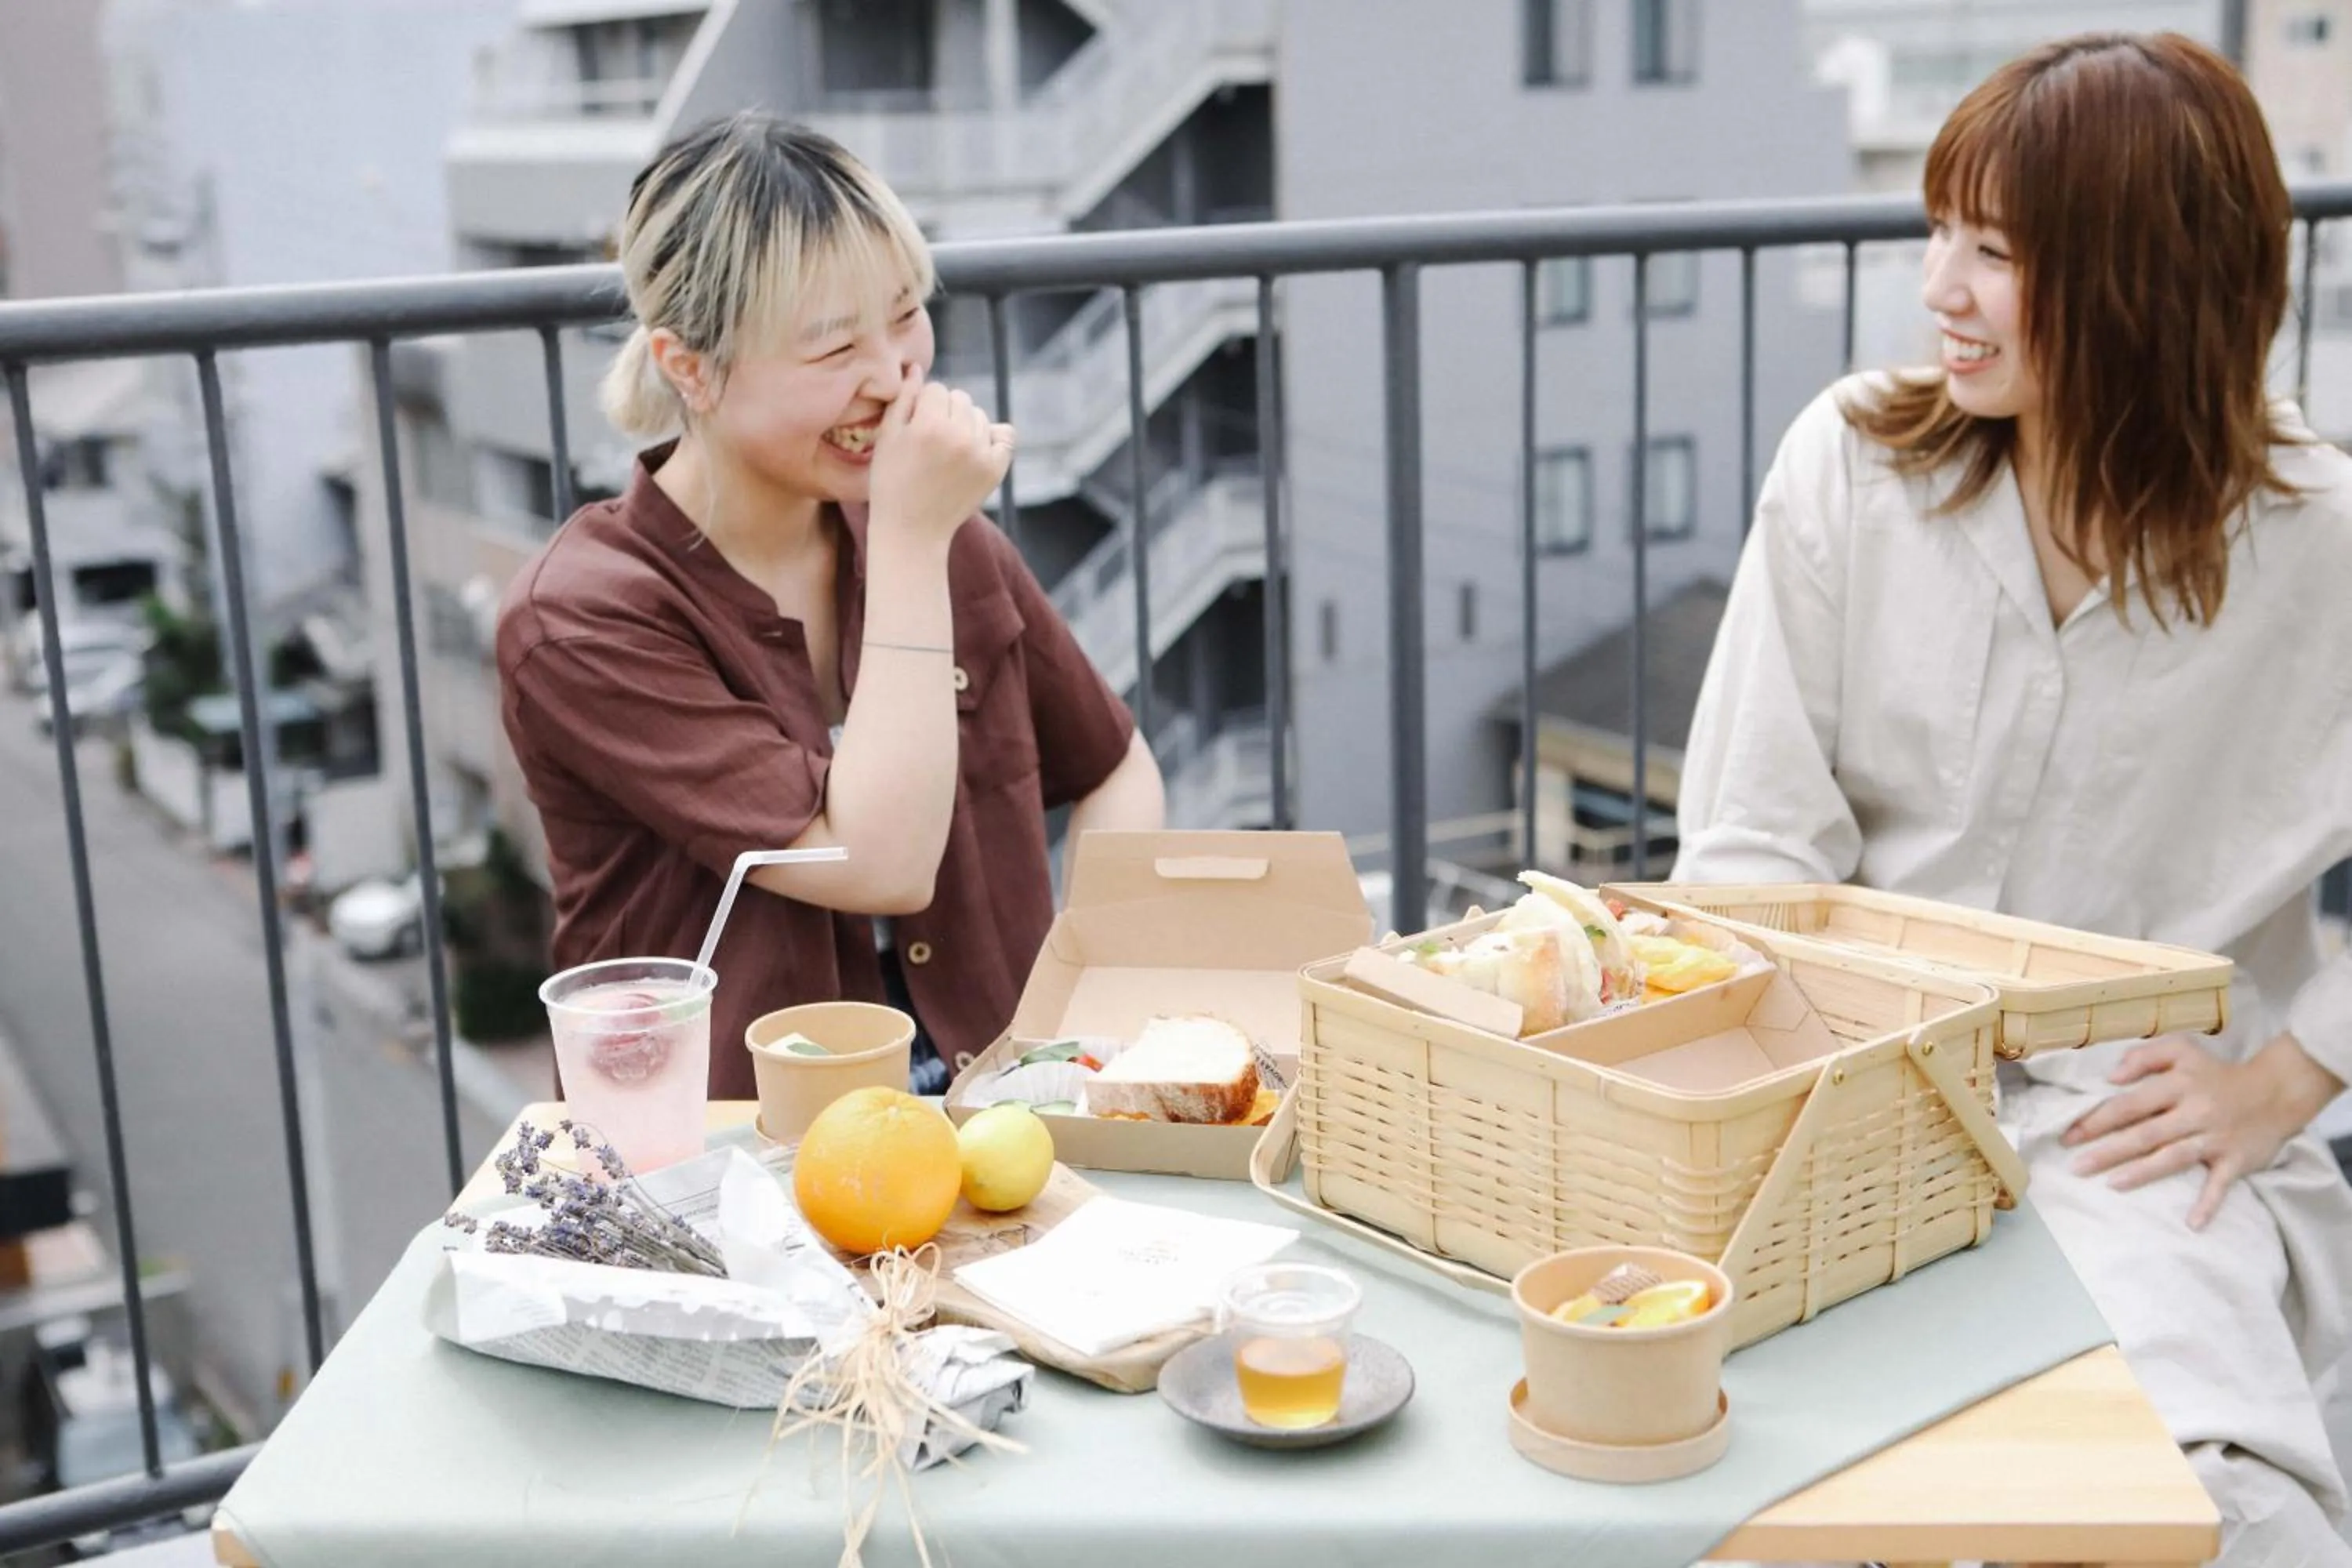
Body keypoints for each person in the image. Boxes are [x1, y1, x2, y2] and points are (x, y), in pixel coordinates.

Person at [1674, 34, 2352, 1567]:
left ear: (2141, 283)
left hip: (2141, 1142)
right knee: (1745, 1489)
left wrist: (2291, 1075)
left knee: (2216, 1516)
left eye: (1994, 251)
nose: (1938, 289)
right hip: (1839, 1109)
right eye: (1940, 234)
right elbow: (1752, 855)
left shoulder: (2320, 539)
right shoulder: (1853, 468)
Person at [497, 114, 1166, 1098]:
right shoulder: (583, 618)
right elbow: (878, 864)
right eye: (833, 347)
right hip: (732, 1148)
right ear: (690, 367)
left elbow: (1115, 767)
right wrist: (905, 538)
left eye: (905, 314)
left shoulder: (944, 541)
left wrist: (1081, 1014)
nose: (894, 374)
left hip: (1001, 1100)